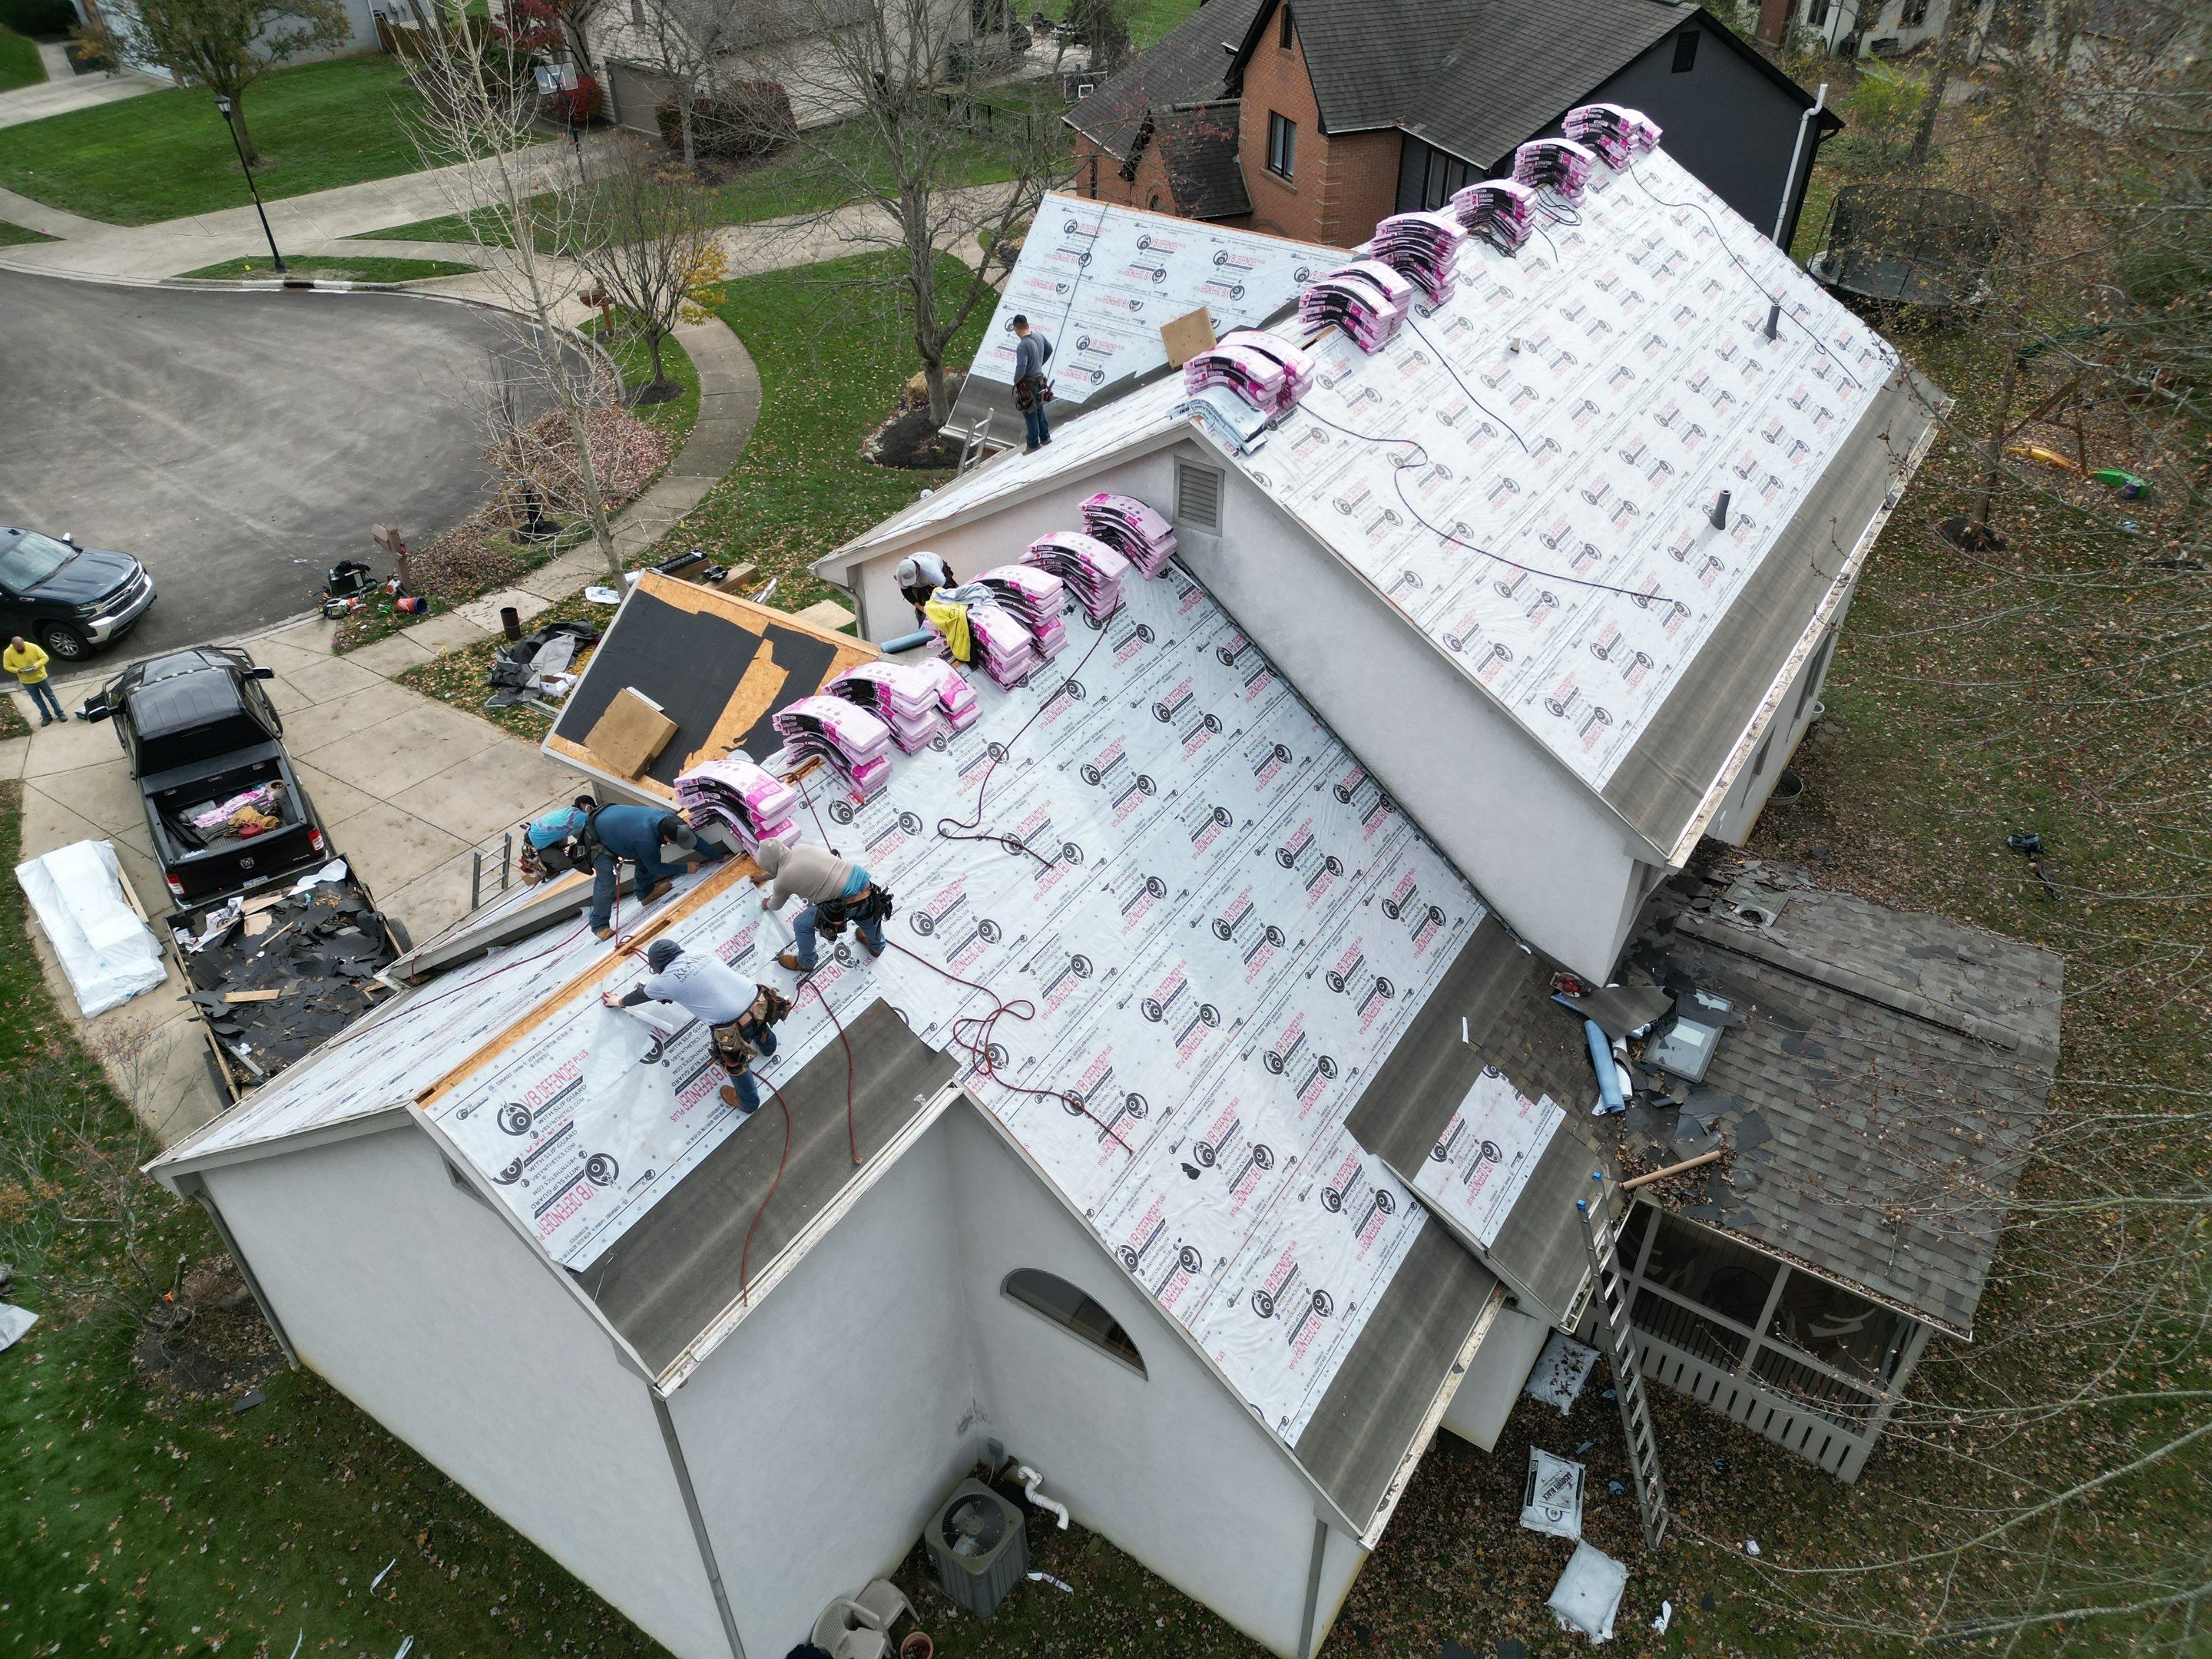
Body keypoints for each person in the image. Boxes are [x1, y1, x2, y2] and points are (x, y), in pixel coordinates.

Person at [604, 939, 789, 1114]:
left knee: (734, 1063)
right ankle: (768, 1047)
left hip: (733, 1026)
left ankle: (749, 1103)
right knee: (755, 1019)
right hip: (761, 1001)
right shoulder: (700, 954)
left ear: (657, 966)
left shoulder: (661, 982)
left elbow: (638, 997)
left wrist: (617, 1001)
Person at [525, 798, 727, 939]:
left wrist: (719, 857)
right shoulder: (646, 839)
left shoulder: (669, 819)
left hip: (618, 829)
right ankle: (599, 925)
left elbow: (693, 840)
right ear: (666, 838)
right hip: (598, 838)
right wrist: (685, 868)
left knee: (644, 857)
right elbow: (655, 867)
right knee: (607, 880)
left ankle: (646, 893)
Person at [753, 837, 891, 973]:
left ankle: (806, 962)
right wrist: (763, 877)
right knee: (867, 914)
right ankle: (877, 947)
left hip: (846, 903)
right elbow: (780, 867)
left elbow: (776, 905)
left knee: (801, 924)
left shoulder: (782, 881)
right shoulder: (801, 849)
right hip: (865, 885)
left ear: (768, 864)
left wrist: (767, 903)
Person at [1011, 315, 1055, 452]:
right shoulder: (1039, 337)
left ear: (1016, 328)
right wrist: (1038, 364)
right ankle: (1045, 437)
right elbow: (1049, 350)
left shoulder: (1023, 346)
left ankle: (1033, 444)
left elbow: (1021, 367)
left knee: (1030, 413)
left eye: (1015, 330)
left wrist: (1016, 382)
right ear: (1027, 325)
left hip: (1028, 386)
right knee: (1040, 410)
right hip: (1040, 381)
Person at [5, 636, 64, 727]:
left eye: (22, 646)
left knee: (50, 696)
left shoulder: (32, 647)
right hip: (27, 681)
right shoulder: (8, 653)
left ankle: (60, 713)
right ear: (13, 646)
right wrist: (17, 670)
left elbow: (45, 657)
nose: (21, 648)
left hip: (41, 677)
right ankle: (46, 716)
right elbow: (7, 666)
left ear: (23, 642)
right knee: (37, 700)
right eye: (18, 648)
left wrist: (37, 665)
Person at [895, 551, 953, 624]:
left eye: (913, 579)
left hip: (938, 573)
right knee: (923, 613)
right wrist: (921, 608)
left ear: (917, 570)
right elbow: (906, 592)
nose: (913, 582)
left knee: (947, 603)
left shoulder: (932, 572)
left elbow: (950, 590)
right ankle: (926, 627)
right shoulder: (900, 574)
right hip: (920, 584)